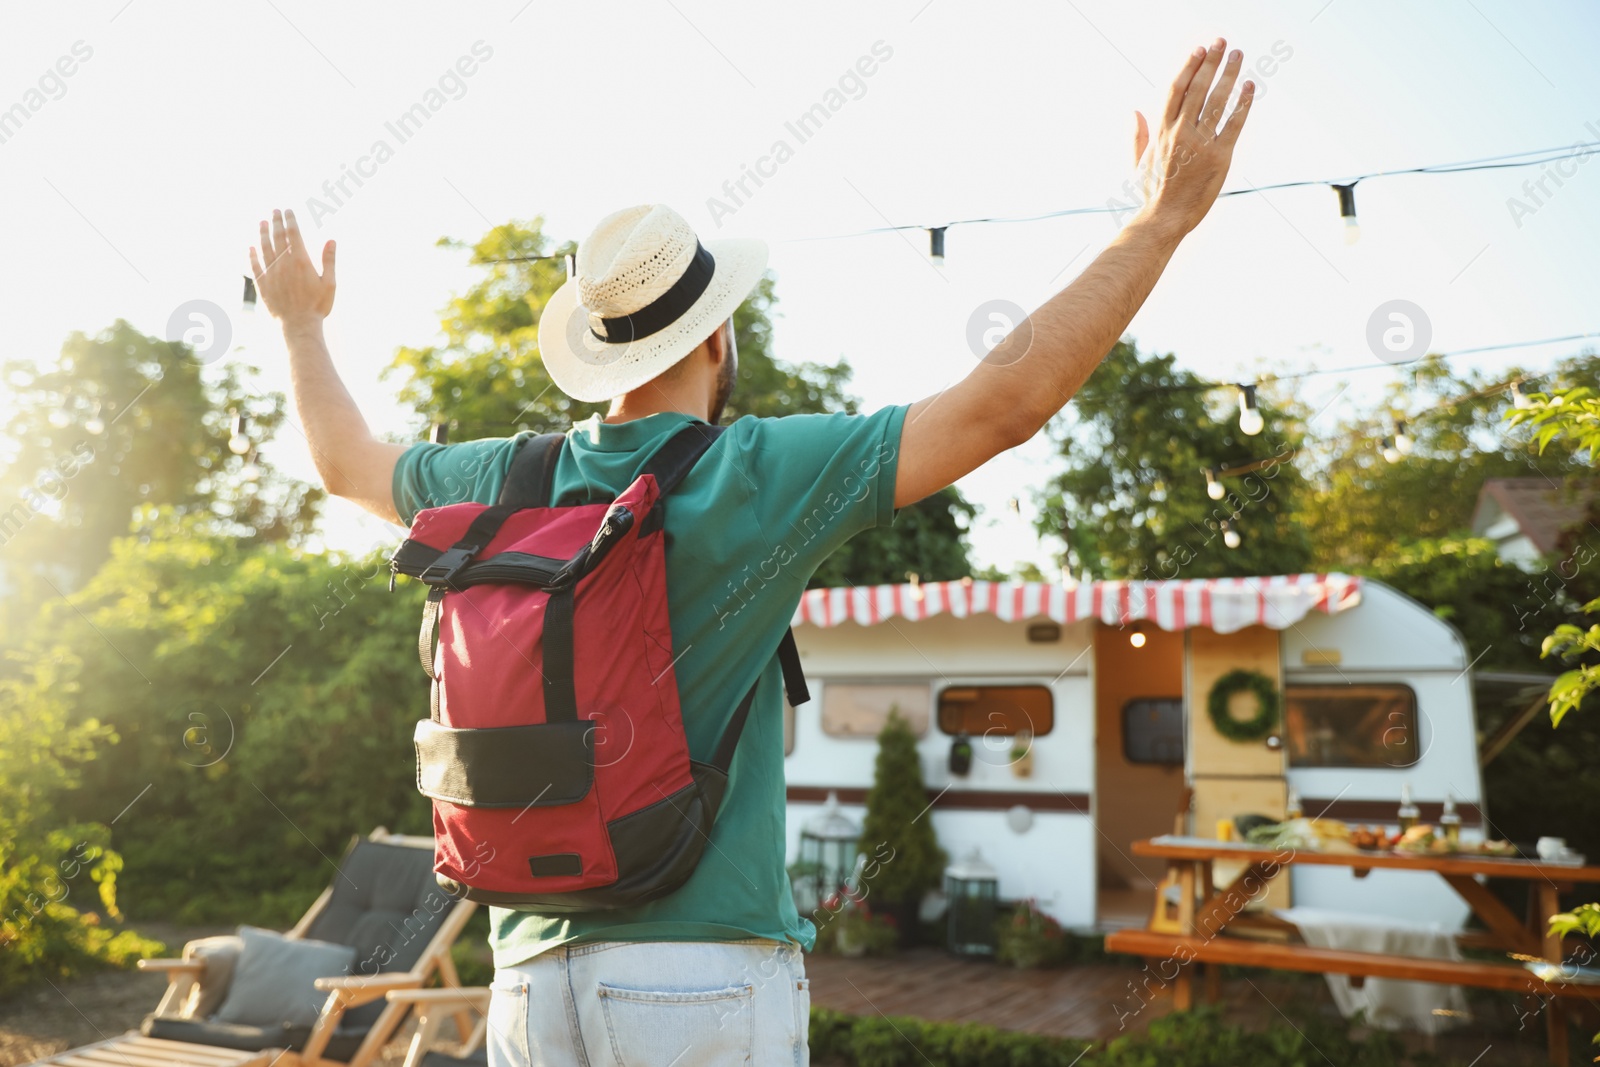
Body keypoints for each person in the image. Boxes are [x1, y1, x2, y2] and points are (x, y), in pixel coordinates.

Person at [249, 37, 1253, 1067]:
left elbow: (341, 460)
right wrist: (1159, 218)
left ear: (600, 353)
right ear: (719, 335)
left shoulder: (495, 479)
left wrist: (297, 323)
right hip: (699, 972)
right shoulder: (757, 471)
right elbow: (1004, 404)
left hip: (528, 975)